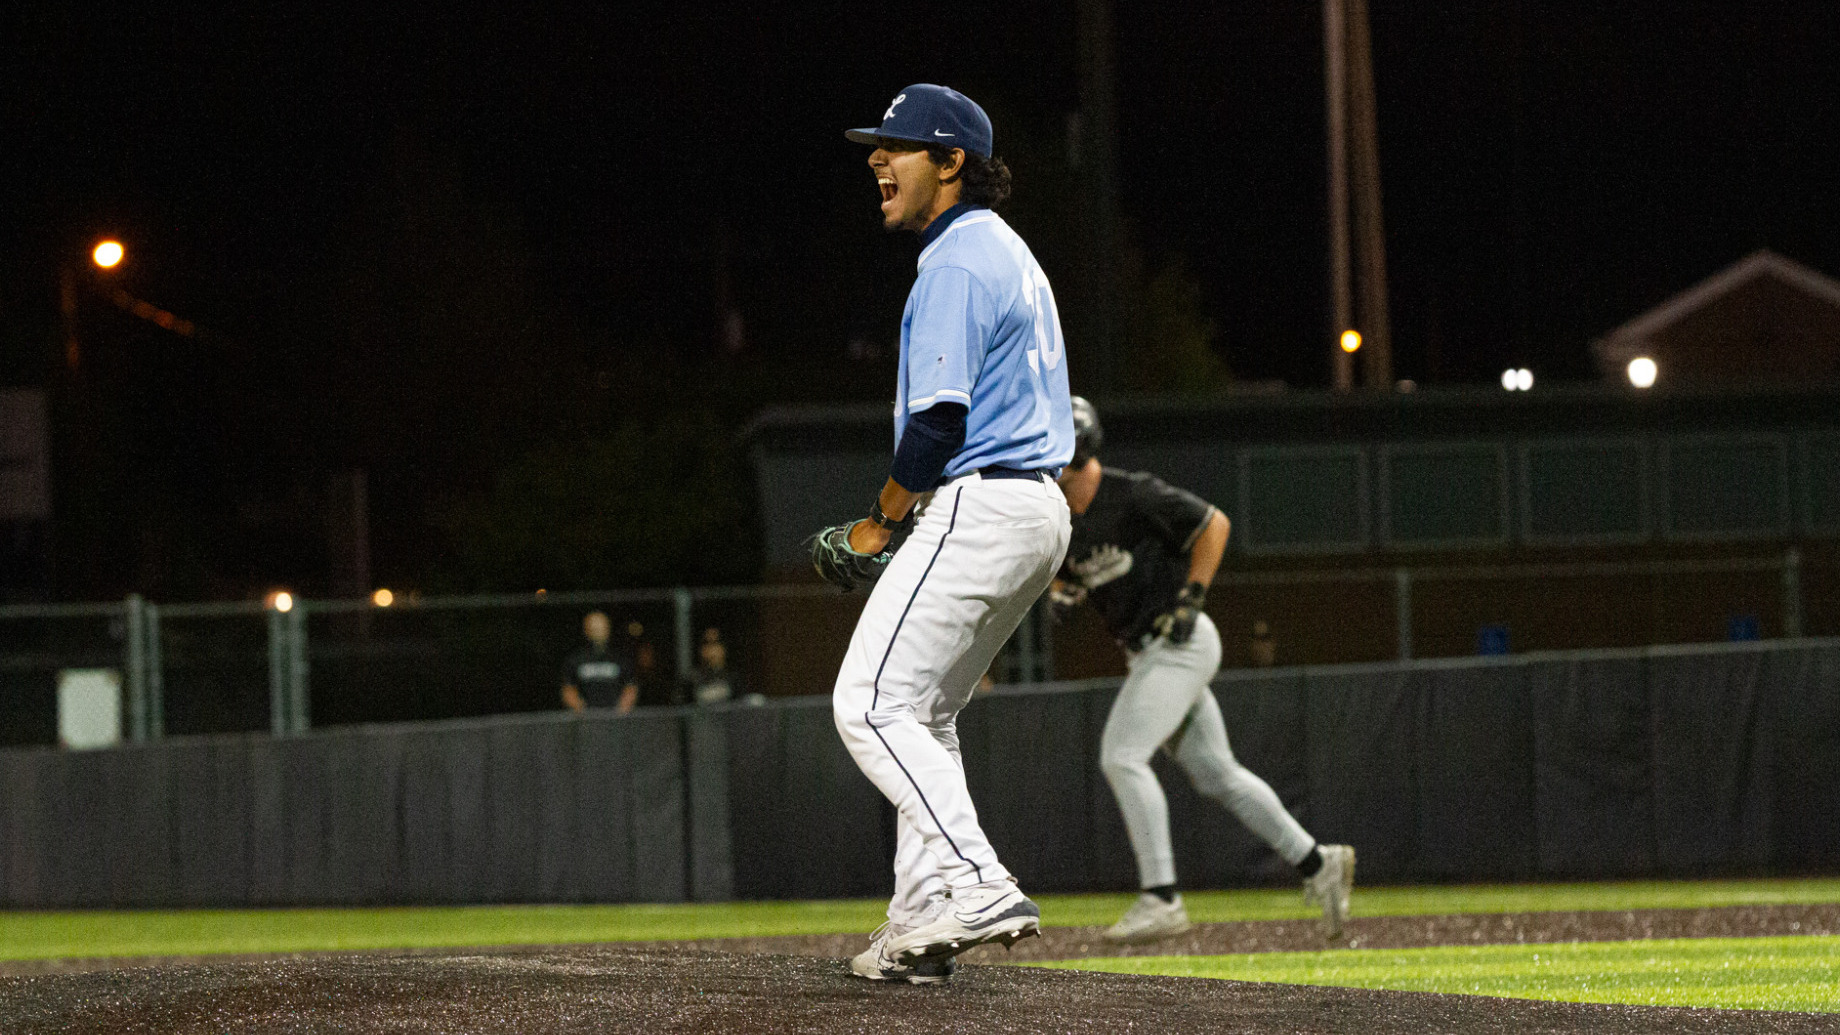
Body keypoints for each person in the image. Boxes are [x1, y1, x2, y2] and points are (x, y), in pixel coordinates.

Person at [813, 84, 1074, 985]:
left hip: (984, 499)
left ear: (952, 161)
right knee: (923, 711)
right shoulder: (1008, 250)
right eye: (877, 146)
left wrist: (879, 522)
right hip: (1037, 510)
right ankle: (923, 921)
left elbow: (937, 424)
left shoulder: (957, 258)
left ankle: (975, 881)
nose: (879, 160)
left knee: (869, 704)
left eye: (900, 146)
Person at [1051, 396, 1355, 943]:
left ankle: (1161, 896)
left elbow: (1214, 523)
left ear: (1071, 446)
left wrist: (1192, 599)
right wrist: (1062, 590)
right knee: (1220, 775)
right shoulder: (1062, 518)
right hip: (1148, 654)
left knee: (1121, 756)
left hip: (1179, 644)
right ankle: (1316, 862)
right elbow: (1075, 576)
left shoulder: (1133, 492)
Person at [559, 611, 639, 714]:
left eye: (601, 628)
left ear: (608, 629)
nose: (598, 631)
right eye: (594, 628)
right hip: (586, 720)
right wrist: (582, 712)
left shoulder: (619, 658)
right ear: (586, 630)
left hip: (615, 717)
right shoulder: (576, 659)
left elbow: (630, 686)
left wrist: (620, 711)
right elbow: (568, 688)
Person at [685, 626, 739, 705]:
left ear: (723, 649)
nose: (712, 653)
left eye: (715, 644)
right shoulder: (691, 679)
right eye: (707, 644)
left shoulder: (733, 678)